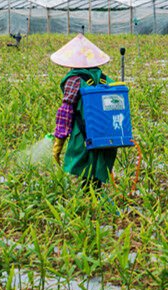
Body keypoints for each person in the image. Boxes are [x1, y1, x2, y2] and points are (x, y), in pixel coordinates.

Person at [50, 34, 117, 190]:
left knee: (85, 174)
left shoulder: (74, 80)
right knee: (95, 174)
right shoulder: (105, 79)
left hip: (84, 135)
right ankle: (95, 201)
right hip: (106, 135)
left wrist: (59, 141)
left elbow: (65, 111)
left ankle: (89, 205)